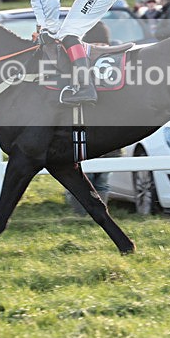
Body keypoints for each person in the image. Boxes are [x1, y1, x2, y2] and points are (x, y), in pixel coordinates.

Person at [64, 20, 115, 214]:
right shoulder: (83, 66)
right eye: (98, 45)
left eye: (103, 45)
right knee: (91, 177)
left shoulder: (107, 66)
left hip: (102, 131)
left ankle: (96, 213)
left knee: (101, 179)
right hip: (89, 131)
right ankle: (83, 213)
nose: (101, 48)